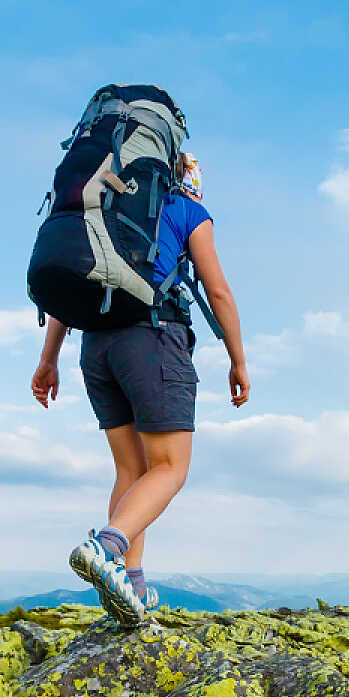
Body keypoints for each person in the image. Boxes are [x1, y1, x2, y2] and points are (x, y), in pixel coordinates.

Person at [30, 151, 250, 626]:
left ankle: (131, 586)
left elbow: (74, 286)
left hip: (96, 348)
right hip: (151, 338)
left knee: (131, 467)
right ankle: (105, 547)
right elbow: (218, 293)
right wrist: (237, 359)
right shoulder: (187, 210)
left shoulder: (103, 210)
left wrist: (48, 360)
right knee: (169, 467)